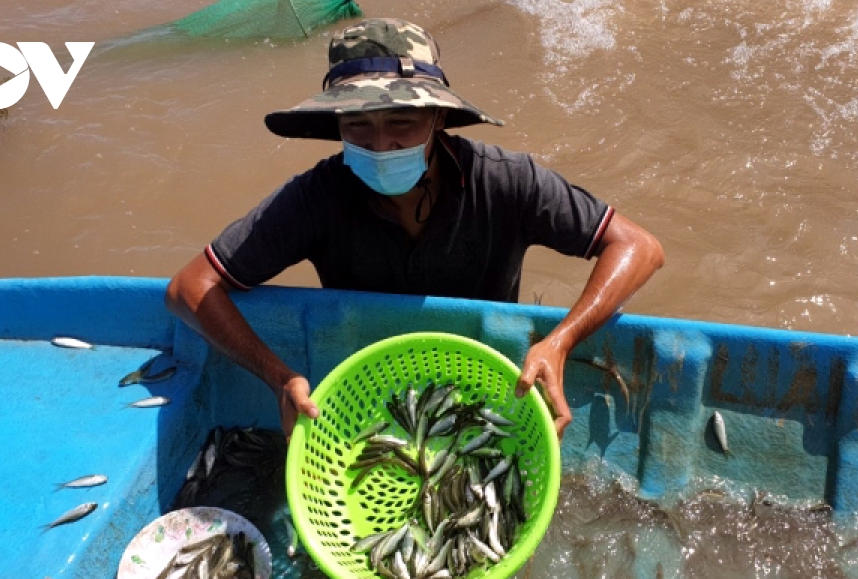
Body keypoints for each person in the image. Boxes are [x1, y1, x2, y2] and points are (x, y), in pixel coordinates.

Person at [166, 18, 664, 440]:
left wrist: (560, 341)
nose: (381, 145)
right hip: (368, 382)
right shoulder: (315, 196)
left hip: (486, 378)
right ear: (335, 125)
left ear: (438, 117)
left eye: (401, 122)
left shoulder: (507, 180)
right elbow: (190, 288)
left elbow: (638, 246)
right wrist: (277, 377)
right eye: (358, 125)